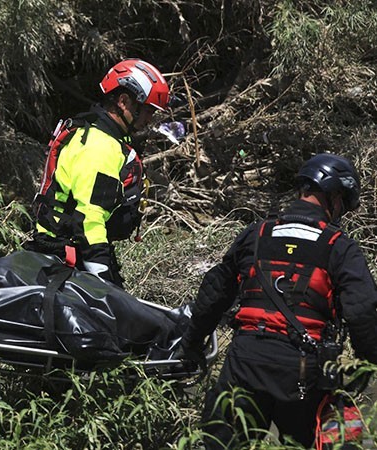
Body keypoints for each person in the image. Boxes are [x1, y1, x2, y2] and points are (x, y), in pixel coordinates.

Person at [177, 153, 377, 447]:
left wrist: (191, 344)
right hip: (302, 370)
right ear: (333, 196)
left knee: (221, 442)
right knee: (343, 437)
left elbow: (214, 293)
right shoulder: (339, 247)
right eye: (343, 204)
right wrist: (367, 364)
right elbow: (363, 312)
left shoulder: (256, 234)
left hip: (244, 361)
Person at [25, 59, 170, 288]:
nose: (149, 119)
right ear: (124, 102)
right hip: (70, 256)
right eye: (147, 110)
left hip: (72, 251)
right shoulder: (99, 146)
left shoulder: (97, 135)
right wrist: (101, 279)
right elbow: (88, 218)